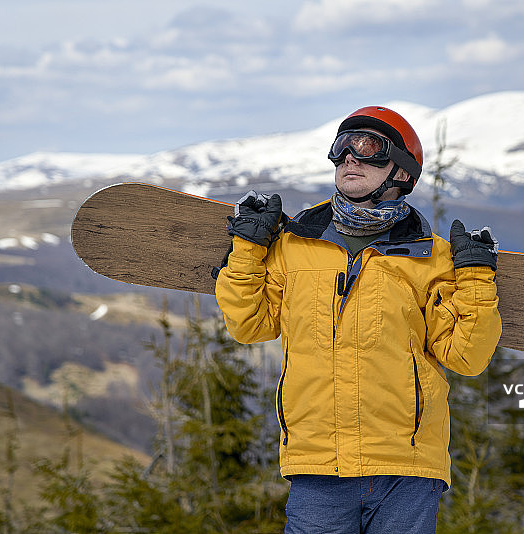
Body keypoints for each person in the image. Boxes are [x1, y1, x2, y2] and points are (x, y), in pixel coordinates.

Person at [215, 106, 502, 533]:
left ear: (401, 172)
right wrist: (248, 249)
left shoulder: (433, 257)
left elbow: (466, 356)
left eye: (369, 149)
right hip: (318, 463)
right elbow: (248, 324)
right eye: (341, 148)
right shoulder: (294, 244)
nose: (350, 157)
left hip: (406, 467)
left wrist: (476, 277)